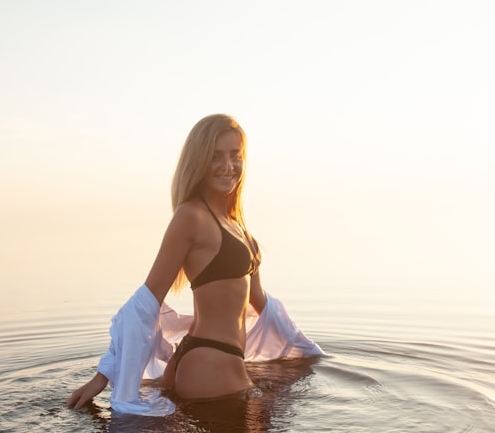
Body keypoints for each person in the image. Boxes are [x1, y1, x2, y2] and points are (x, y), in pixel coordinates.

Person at [67, 114, 320, 412]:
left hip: (212, 361)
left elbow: (262, 304)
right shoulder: (191, 216)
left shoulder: (235, 223)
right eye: (216, 156)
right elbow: (147, 300)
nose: (228, 166)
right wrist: (105, 374)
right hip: (210, 363)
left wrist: (306, 350)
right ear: (199, 161)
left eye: (235, 156)